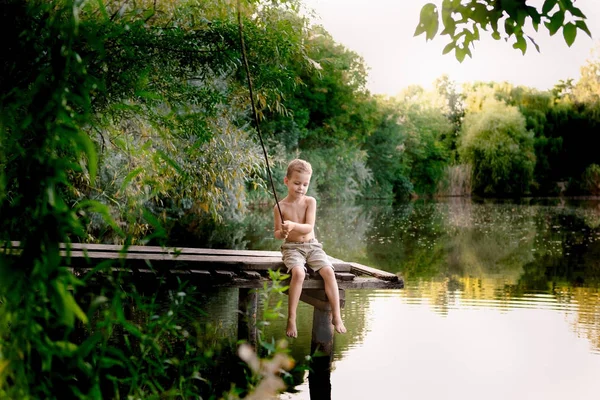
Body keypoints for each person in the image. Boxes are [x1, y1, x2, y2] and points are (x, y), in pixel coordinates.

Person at [274, 159, 347, 338]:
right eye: (297, 183)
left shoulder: (310, 202)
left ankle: (337, 315)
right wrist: (282, 233)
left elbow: (308, 227)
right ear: (286, 181)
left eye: (305, 184)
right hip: (291, 248)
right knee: (298, 273)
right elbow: (277, 233)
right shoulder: (279, 206)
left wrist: (291, 225)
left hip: (312, 246)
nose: (301, 188)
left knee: (329, 272)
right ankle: (292, 317)